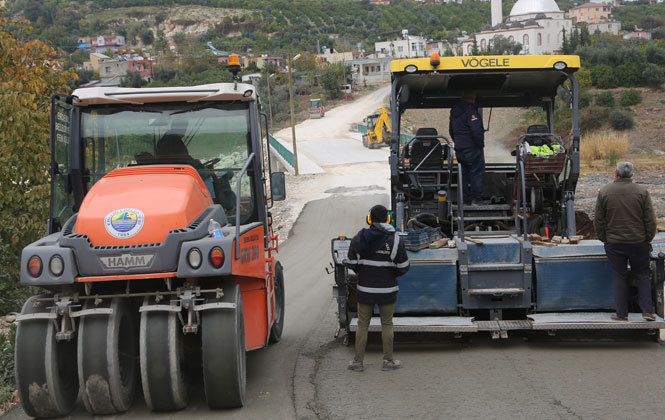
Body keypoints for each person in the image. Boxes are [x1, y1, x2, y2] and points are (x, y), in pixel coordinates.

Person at [344, 205, 410, 372]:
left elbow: (351, 263)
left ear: (369, 219)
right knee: (387, 324)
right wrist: (390, 274)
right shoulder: (395, 240)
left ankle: (358, 362)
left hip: (365, 289)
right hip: (387, 290)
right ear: (387, 219)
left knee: (362, 324)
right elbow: (403, 266)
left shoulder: (359, 238)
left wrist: (362, 271)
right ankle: (388, 361)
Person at [594, 161, 657, 322]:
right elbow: (650, 220)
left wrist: (604, 238)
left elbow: (599, 220)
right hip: (638, 242)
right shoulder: (642, 192)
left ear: (616, 173)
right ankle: (647, 312)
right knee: (643, 275)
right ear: (632, 175)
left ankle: (621, 314)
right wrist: (647, 238)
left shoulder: (605, 192)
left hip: (614, 243)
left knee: (619, 277)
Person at [449, 91, 485, 205]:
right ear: (473, 98)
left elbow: (451, 130)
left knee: (463, 174)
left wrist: (458, 142)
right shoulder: (471, 111)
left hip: (460, 149)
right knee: (476, 172)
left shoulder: (454, 112)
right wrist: (480, 144)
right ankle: (476, 199)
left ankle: (464, 199)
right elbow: (476, 130)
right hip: (471, 148)